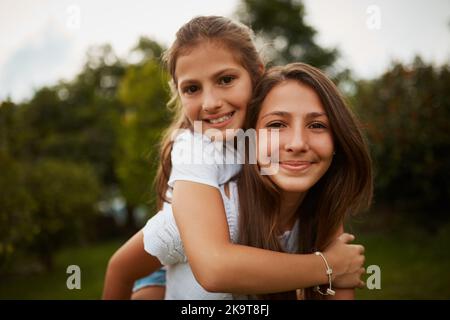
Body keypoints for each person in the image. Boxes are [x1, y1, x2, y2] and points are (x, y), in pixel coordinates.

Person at [102, 16, 370, 300]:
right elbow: (213, 267)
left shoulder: (305, 178)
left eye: (226, 80)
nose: (211, 102)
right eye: (192, 88)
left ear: (257, 74)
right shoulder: (195, 149)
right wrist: (327, 267)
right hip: (185, 244)